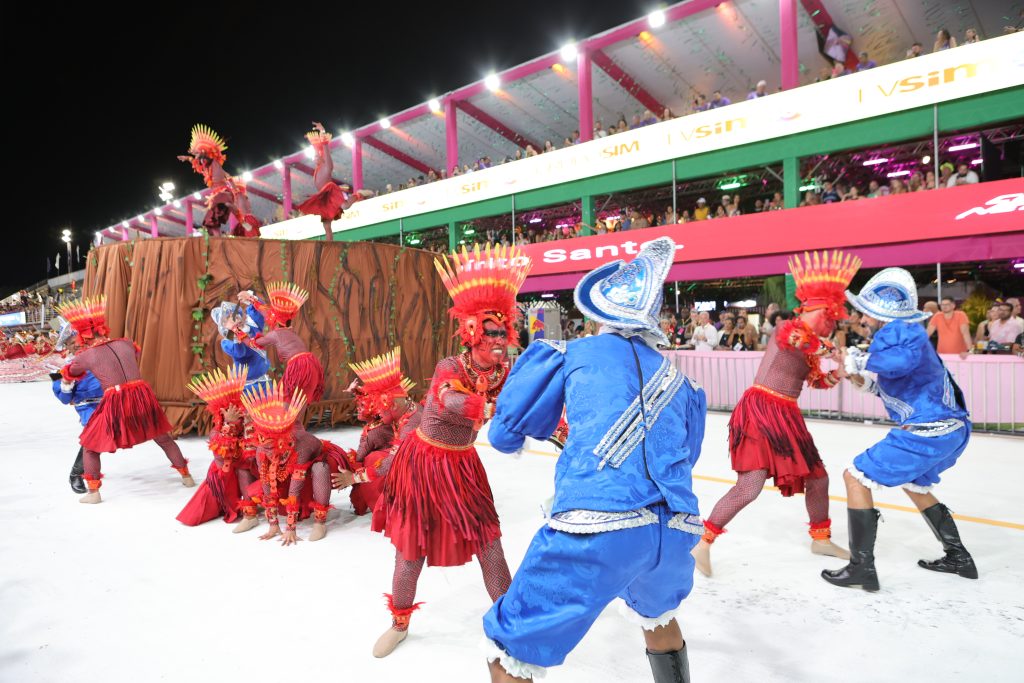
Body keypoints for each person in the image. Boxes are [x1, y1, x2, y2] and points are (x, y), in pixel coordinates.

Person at [483, 237, 706, 683]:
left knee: (510, 650)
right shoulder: (682, 383)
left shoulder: (570, 354)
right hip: (675, 532)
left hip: (598, 527)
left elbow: (504, 437)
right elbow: (687, 456)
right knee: (657, 619)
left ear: (598, 311)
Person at [370, 244, 531, 658]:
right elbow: (447, 400)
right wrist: (492, 408)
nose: (499, 340)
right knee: (411, 552)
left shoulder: (502, 373)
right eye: (490, 333)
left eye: (503, 332)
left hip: (463, 466)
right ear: (472, 332)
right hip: (423, 464)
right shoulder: (450, 366)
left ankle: (509, 621)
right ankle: (399, 622)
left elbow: (526, 400)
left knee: (490, 542)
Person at [692, 251, 861, 577]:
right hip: (761, 410)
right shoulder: (789, 328)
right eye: (831, 317)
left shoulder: (812, 344)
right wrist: (833, 351)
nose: (833, 324)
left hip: (787, 415)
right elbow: (800, 340)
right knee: (750, 486)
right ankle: (703, 542)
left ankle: (821, 538)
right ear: (820, 310)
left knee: (818, 478)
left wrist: (839, 372)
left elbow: (817, 381)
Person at [823, 267, 976, 591]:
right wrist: (855, 372)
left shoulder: (899, 331)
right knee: (914, 485)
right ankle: (958, 557)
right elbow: (892, 385)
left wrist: (859, 361)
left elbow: (899, 364)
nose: (862, 319)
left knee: (855, 476)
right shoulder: (900, 337)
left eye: (865, 312)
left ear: (880, 312)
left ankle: (861, 567)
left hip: (931, 428)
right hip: (949, 429)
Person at [55, 296, 194, 504]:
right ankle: (186, 477)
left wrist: (67, 379)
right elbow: (131, 355)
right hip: (142, 395)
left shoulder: (86, 356)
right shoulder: (126, 342)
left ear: (82, 336)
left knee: (90, 446)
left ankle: (93, 493)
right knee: (163, 438)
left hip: (117, 399)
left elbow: (70, 373)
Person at [330, 347, 421, 515]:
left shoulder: (409, 425)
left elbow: (390, 463)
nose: (377, 412)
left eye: (380, 408)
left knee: (374, 459)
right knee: (374, 458)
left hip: (424, 474)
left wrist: (353, 478)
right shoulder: (405, 408)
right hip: (411, 459)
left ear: (392, 405)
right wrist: (357, 391)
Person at [176, 367, 260, 528]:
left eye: (238, 409)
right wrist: (229, 425)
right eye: (228, 411)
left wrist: (250, 426)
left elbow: (253, 456)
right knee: (196, 512)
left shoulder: (250, 422)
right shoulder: (217, 432)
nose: (235, 412)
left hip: (253, 469)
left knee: (246, 466)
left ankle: (251, 513)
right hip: (225, 476)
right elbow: (223, 459)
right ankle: (248, 511)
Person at [50, 320, 102, 494]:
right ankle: (76, 474)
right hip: (88, 407)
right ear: (66, 347)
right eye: (70, 343)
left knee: (103, 437)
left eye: (77, 340)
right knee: (95, 435)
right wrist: (66, 383)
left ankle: (89, 468)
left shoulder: (96, 356)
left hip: (110, 401)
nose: (76, 345)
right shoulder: (60, 368)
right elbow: (65, 399)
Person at [297, 122, 372, 241]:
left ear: (322, 157)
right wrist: (312, 141)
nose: (314, 158)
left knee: (345, 206)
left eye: (316, 156)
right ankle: (329, 247)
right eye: (314, 157)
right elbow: (317, 149)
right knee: (326, 225)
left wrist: (322, 130)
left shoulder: (327, 165)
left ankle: (358, 194)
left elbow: (325, 146)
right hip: (323, 196)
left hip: (331, 191)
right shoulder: (317, 168)